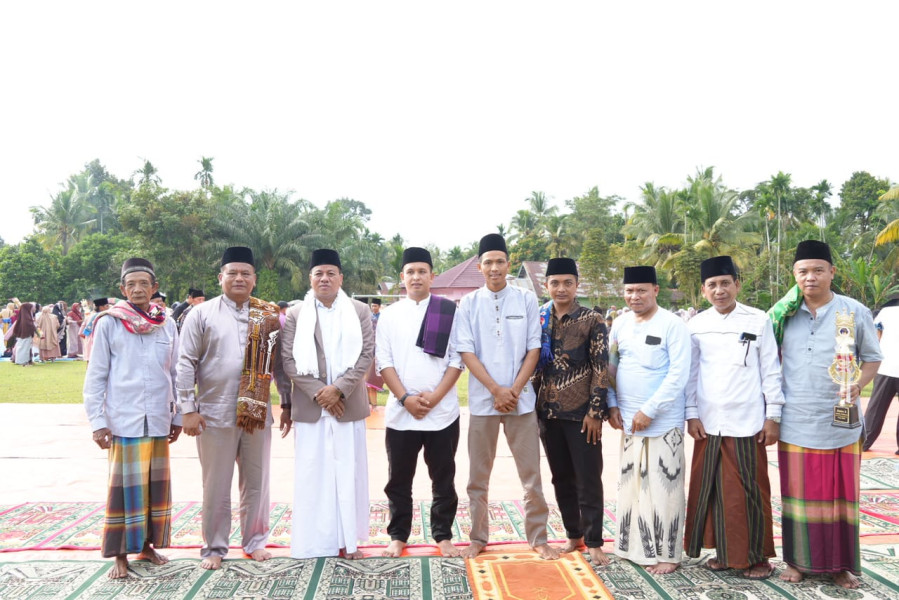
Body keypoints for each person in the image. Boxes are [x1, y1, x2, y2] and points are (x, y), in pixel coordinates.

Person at [769, 240, 881, 589]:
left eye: (819, 270)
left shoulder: (853, 311)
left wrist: (858, 383)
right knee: (798, 495)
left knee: (841, 496)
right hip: (797, 417)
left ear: (832, 272)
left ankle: (842, 566)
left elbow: (872, 357)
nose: (811, 277)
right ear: (794, 275)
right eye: (803, 271)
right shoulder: (782, 314)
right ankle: (797, 562)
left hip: (841, 418)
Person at [176, 247, 291, 570]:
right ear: (220, 277)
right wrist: (187, 407)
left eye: (245, 273)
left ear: (254, 279)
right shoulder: (201, 314)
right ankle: (214, 546)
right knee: (216, 482)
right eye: (232, 273)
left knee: (257, 481)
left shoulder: (268, 315)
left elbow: (280, 366)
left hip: (257, 412)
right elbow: (185, 362)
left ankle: (255, 541)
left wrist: (287, 402)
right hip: (213, 412)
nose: (239, 278)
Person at [454, 233, 559, 560]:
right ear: (480, 266)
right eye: (488, 262)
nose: (495, 268)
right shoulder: (469, 303)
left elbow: (533, 346)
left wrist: (513, 390)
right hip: (484, 402)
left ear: (508, 264)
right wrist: (496, 390)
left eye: (500, 261)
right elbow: (466, 351)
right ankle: (477, 537)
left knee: (531, 475)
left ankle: (538, 538)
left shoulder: (526, 299)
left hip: (521, 401)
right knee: (477, 477)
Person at [683, 256, 783, 579]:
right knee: (712, 491)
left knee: (750, 493)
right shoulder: (696, 325)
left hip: (747, 421)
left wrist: (773, 416)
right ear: (703, 290)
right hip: (709, 421)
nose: (719, 290)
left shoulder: (758, 320)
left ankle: (757, 558)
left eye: (725, 283)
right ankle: (725, 554)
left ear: (737, 284)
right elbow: (691, 374)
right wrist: (691, 414)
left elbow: (771, 371)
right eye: (712, 285)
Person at [83, 257, 181, 579]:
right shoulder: (108, 322)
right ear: (122, 289)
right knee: (125, 490)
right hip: (123, 419)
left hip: (157, 419)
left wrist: (177, 414)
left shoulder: (167, 322)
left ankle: (147, 546)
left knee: (154, 488)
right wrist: (98, 422)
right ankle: (120, 554)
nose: (138, 289)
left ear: (154, 288)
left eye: (144, 284)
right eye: (131, 284)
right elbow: (96, 376)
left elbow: (176, 371)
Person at [280, 248, 375, 559]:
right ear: (310, 279)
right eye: (318, 273)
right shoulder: (295, 314)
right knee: (314, 474)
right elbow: (289, 360)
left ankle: (349, 541)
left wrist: (339, 391)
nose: (324, 278)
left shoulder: (359, 310)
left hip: (348, 406)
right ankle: (316, 542)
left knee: (348, 472)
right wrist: (322, 393)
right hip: (312, 408)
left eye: (330, 273)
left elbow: (366, 356)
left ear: (340, 278)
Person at [375, 247, 463, 558]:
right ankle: (398, 535)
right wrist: (405, 398)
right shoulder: (388, 315)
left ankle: (443, 535)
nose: (416, 277)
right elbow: (383, 362)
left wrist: (436, 397)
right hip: (401, 413)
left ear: (432, 276)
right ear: (402, 277)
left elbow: (457, 358)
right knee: (398, 479)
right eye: (410, 271)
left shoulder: (448, 311)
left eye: (422, 271)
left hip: (443, 413)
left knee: (443, 478)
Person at [606, 265, 691, 574]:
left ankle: (669, 555)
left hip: (663, 422)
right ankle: (632, 547)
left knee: (664, 489)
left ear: (656, 290)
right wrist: (612, 404)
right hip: (629, 422)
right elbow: (611, 369)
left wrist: (649, 410)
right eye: (629, 291)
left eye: (642, 290)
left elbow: (679, 374)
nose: (635, 296)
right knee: (631, 487)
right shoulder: (619, 324)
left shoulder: (672, 325)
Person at [532, 258, 610, 564]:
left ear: (577, 285)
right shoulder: (540, 317)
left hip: (582, 416)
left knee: (588, 477)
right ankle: (573, 534)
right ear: (546, 285)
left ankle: (594, 541)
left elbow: (601, 368)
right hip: (548, 414)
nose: (561, 288)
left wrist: (595, 412)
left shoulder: (592, 319)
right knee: (560, 478)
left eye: (567, 282)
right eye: (555, 283)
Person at [862, 299, 899, 453]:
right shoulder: (887, 312)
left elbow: (876, 337)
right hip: (887, 367)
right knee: (876, 407)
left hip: (886, 368)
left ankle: (864, 442)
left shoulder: (886, 312)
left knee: (876, 407)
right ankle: (864, 441)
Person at [366, 298, 384, 409]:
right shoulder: (368, 317)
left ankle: (374, 404)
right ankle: (368, 403)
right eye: (372, 306)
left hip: (378, 349)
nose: (373, 308)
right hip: (369, 347)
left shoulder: (382, 318)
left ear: (379, 307)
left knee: (373, 377)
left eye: (375, 306)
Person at [10, 302, 36, 366]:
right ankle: (23, 361)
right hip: (26, 335)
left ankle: (20, 360)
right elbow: (30, 326)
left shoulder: (22, 316)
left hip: (22, 335)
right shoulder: (26, 318)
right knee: (24, 348)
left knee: (21, 347)